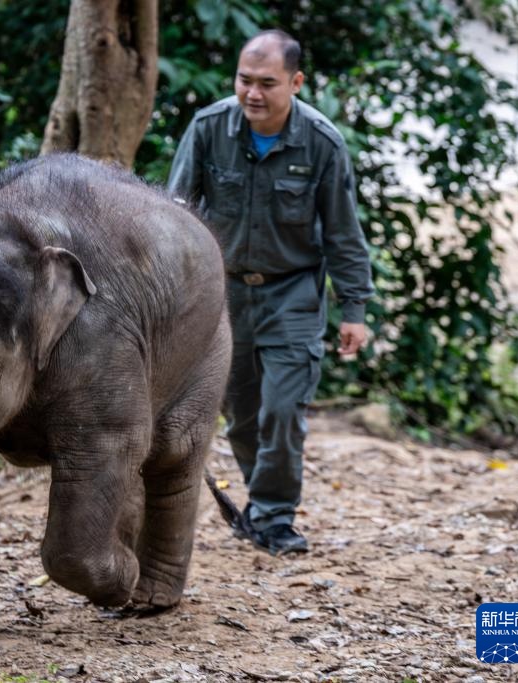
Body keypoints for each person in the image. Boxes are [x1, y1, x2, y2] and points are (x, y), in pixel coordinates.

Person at [168, 29, 374, 556]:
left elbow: (343, 232)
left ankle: (275, 517)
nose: (253, 94)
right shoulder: (210, 128)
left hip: (293, 294)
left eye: (267, 83)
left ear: (296, 82)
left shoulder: (321, 142)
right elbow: (175, 216)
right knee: (241, 413)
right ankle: (260, 506)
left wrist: (354, 308)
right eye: (244, 80)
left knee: (282, 410)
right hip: (224, 297)